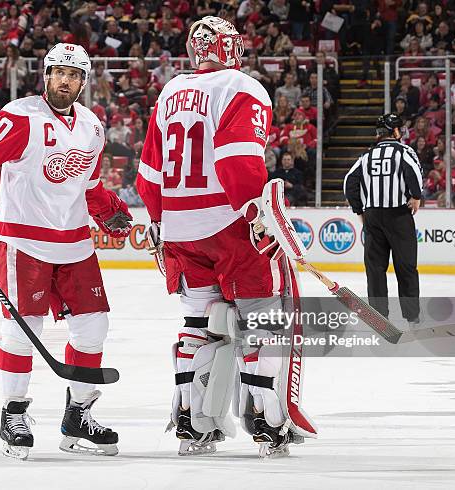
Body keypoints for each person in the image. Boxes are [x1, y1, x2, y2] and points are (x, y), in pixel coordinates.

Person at [0, 43, 132, 460]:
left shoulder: (92, 127)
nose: (64, 80)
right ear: (46, 75)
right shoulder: (22, 116)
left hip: (74, 241)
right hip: (23, 239)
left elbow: (88, 185)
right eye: (58, 72)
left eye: (73, 75)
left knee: (94, 326)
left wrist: (109, 210)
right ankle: (13, 412)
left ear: (83, 82)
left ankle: (79, 413)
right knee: (24, 328)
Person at [137, 15, 317, 458]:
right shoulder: (243, 87)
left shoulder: (170, 91)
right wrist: (257, 211)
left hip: (180, 228)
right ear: (231, 47)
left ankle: (192, 425)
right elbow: (237, 161)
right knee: (264, 322)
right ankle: (268, 422)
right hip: (229, 225)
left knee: (197, 325)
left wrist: (164, 222)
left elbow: (147, 176)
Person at [343, 114, 423, 326]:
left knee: (375, 269)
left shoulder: (366, 155)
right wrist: (416, 197)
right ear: (395, 131)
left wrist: (359, 210)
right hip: (398, 215)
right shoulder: (404, 151)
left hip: (373, 217)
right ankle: (412, 317)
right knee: (405, 266)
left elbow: (349, 181)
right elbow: (414, 172)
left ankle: (379, 318)